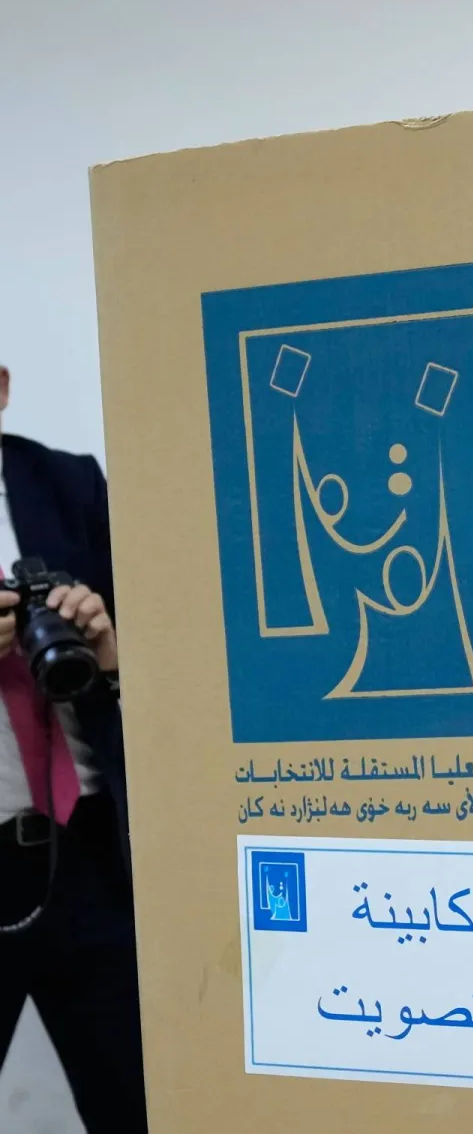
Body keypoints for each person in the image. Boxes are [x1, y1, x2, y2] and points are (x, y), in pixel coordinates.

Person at [0, 362, 146, 1132]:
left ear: (2, 385)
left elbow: (164, 645)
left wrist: (108, 644)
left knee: (139, 1103)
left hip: (85, 852)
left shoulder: (66, 482)